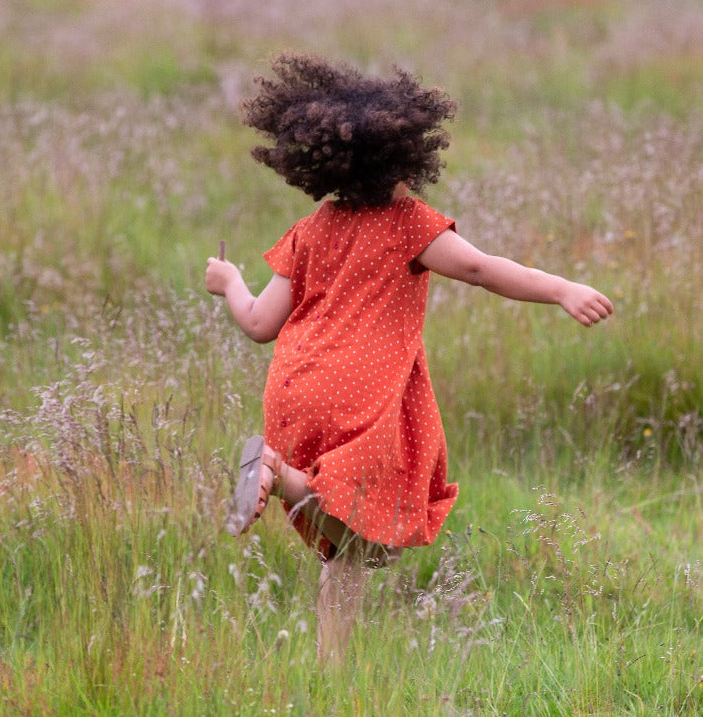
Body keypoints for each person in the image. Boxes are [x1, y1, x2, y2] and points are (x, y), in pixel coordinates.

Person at [205, 52, 613, 663]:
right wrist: (560, 288)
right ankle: (279, 474)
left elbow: (260, 323)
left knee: (352, 546)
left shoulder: (312, 228)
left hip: (296, 385)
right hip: (360, 396)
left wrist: (230, 281)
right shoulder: (408, 225)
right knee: (368, 525)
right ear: (406, 158)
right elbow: (479, 268)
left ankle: (331, 668)